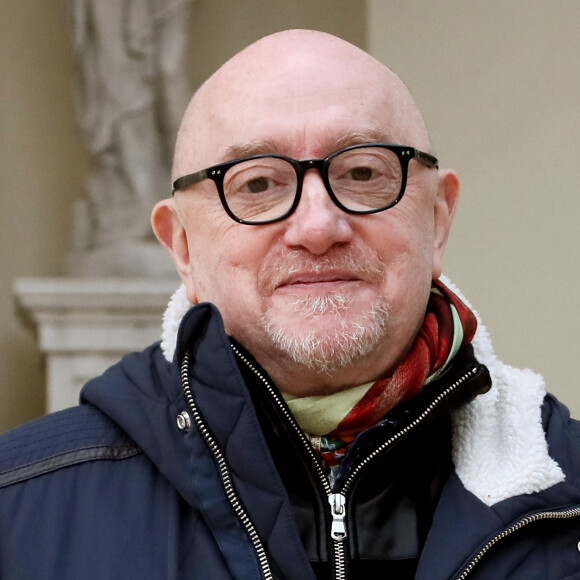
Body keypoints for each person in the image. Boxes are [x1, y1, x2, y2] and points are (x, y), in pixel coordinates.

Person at [1, 29, 579, 579]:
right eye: (257, 184)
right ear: (182, 245)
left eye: (361, 171)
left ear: (437, 217)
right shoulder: (19, 510)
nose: (318, 226)